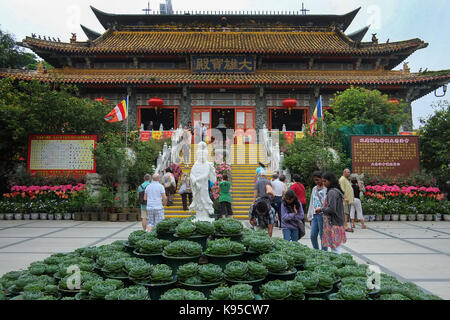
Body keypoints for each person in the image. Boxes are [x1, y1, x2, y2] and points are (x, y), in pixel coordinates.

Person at [316, 172, 347, 254]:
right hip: (337, 221)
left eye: (325, 181)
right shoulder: (336, 190)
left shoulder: (332, 192)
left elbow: (331, 209)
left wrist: (321, 209)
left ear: (330, 181)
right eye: (323, 181)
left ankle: (338, 263)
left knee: (335, 247)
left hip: (334, 222)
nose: (324, 183)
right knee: (336, 245)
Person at [307, 171, 328, 251]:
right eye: (315, 180)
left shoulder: (326, 189)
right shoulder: (314, 189)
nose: (316, 182)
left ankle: (324, 253)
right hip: (315, 215)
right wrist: (310, 216)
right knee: (312, 235)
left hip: (323, 214)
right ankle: (316, 251)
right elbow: (311, 202)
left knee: (323, 236)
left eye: (318, 180)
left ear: (322, 179)